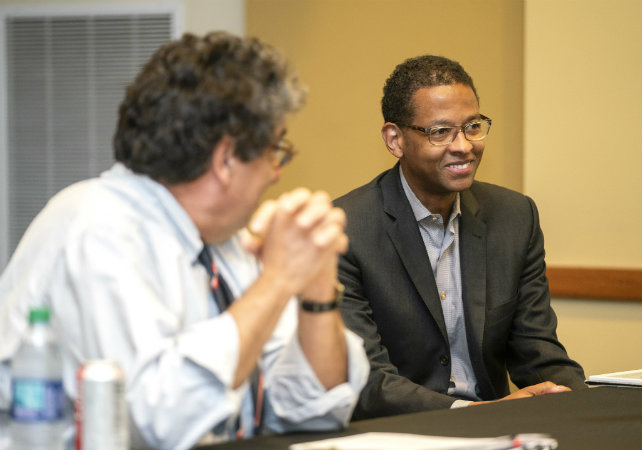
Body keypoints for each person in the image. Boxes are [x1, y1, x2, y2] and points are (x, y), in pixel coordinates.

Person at [0, 31, 368, 449]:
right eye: (275, 150)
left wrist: (315, 285)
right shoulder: (97, 228)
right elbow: (158, 425)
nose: (276, 172)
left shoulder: (224, 241)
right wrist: (278, 281)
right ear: (226, 159)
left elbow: (314, 410)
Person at [334, 54, 586, 420]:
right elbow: (368, 381)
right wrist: (479, 412)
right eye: (440, 132)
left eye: (472, 126)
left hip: (499, 428)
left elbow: (539, 354)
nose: (464, 145)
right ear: (395, 139)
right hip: (400, 432)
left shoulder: (514, 217)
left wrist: (584, 405)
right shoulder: (343, 228)